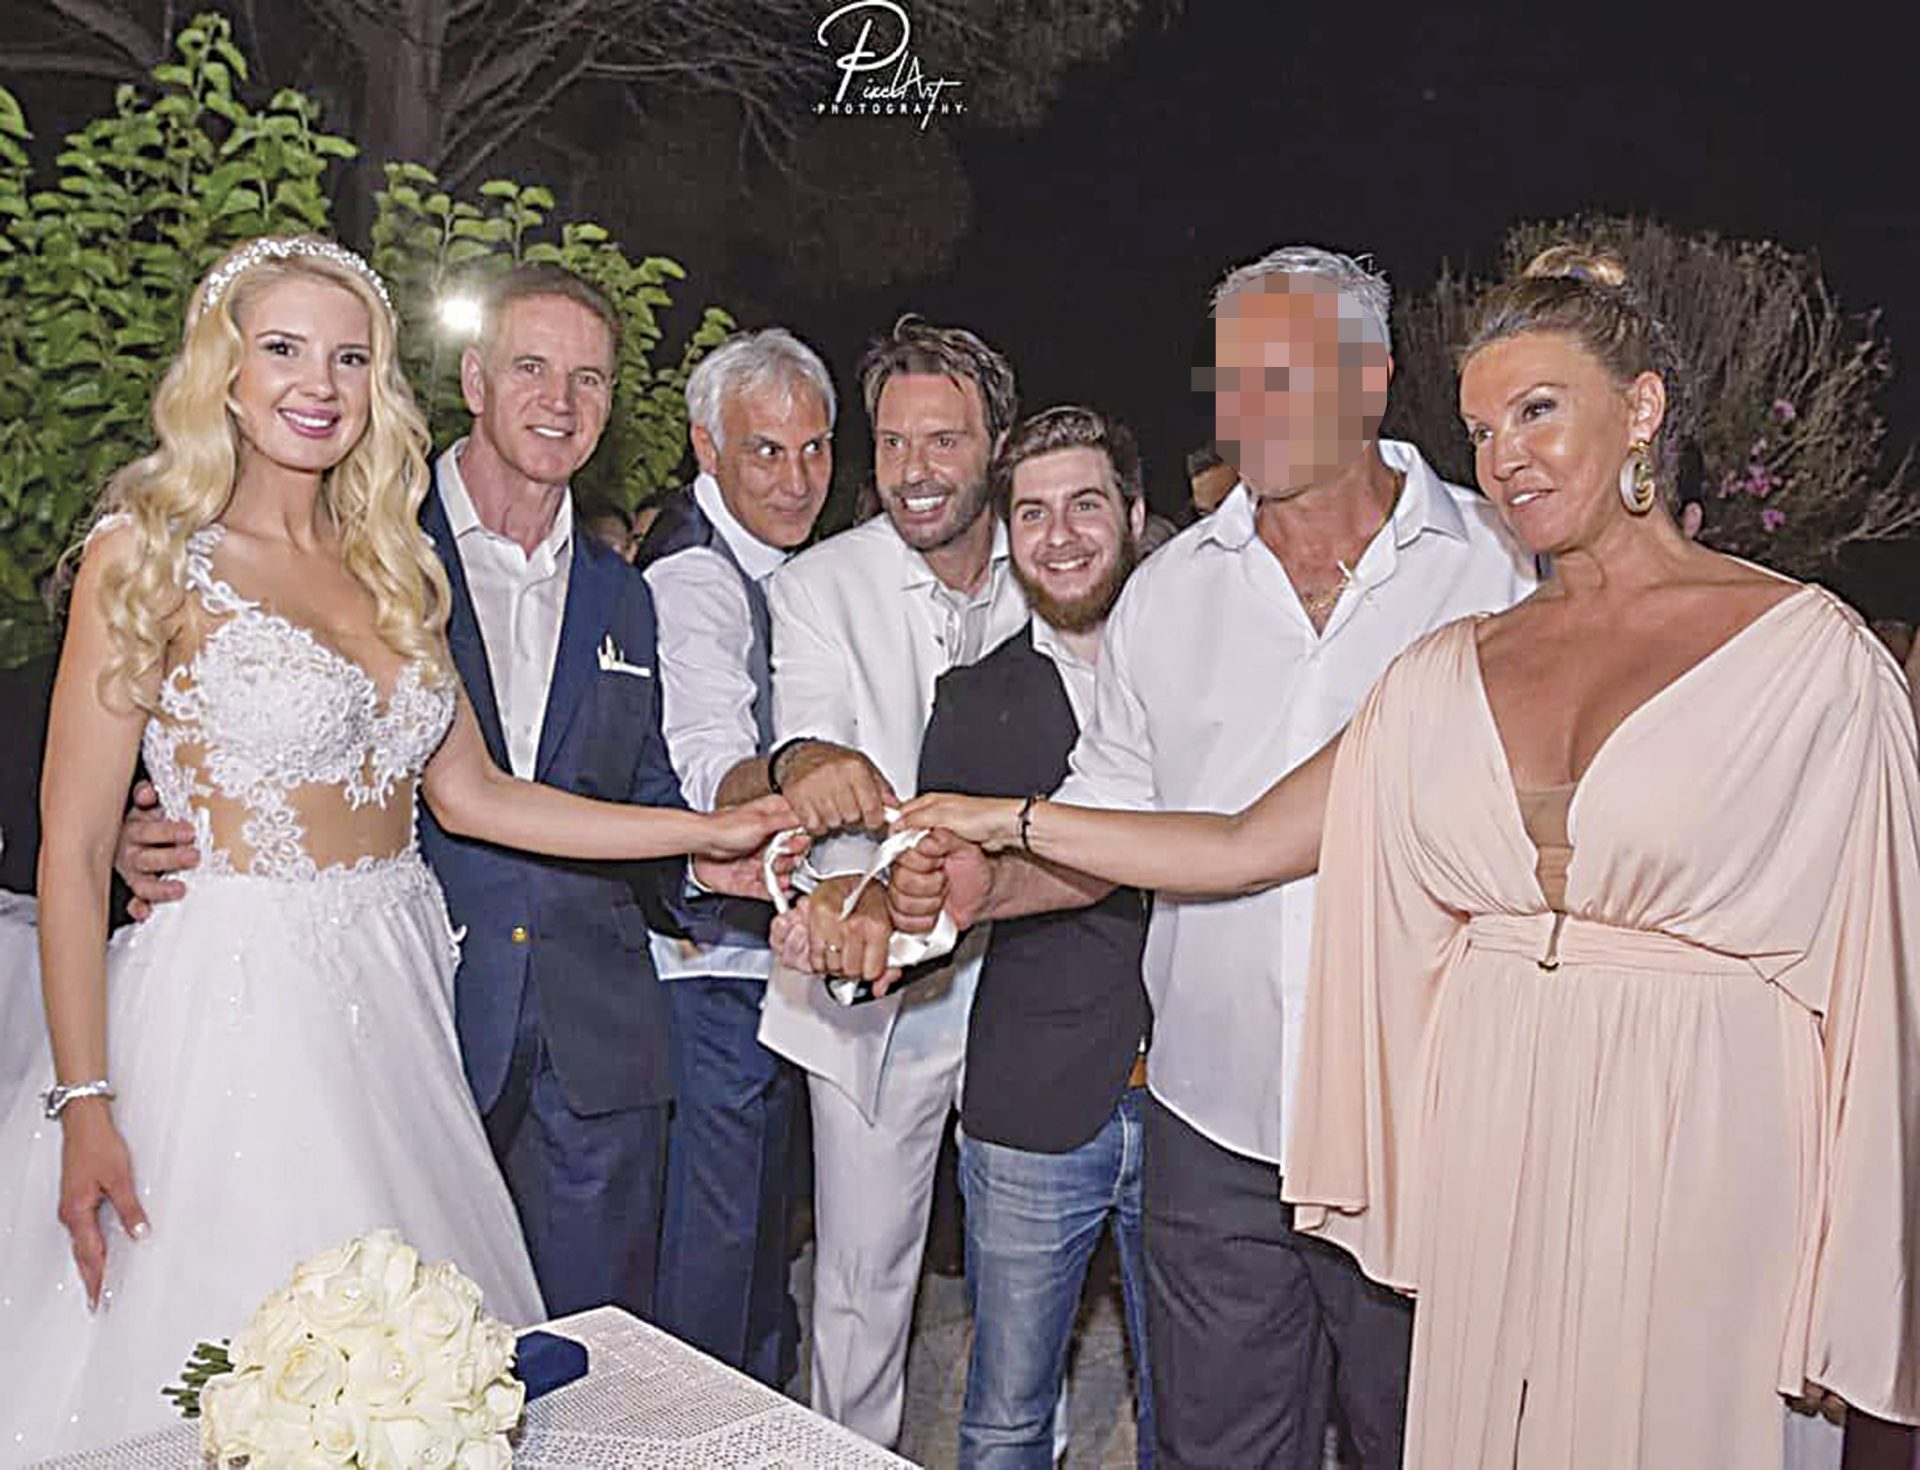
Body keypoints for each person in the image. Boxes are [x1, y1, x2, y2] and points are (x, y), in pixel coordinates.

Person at [902, 246, 1918, 1470]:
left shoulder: (1709, 629)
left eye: (1537, 411)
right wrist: (990, 840)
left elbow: (1874, 981)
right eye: (1486, 428)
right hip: (1304, 1132)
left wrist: (1859, 1252)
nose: (1508, 456)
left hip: (1581, 1142)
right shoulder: (1355, 640)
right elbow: (1218, 839)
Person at [0, 237, 794, 1457]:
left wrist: (708, 831)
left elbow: (479, 796)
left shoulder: (392, 565)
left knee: (417, 1366)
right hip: (231, 1005)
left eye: (350, 358)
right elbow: (73, 845)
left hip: (400, 992)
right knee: (227, 1358)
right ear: (223, 371)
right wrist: (85, 1101)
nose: (318, 383)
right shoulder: (148, 555)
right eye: (283, 349)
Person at [781, 404, 1157, 1466]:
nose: (1060, 535)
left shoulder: (1201, 668)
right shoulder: (975, 700)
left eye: (1086, 506)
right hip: (1035, 1106)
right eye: (1032, 513)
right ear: (1007, 531)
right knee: (1004, 1418)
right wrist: (857, 929)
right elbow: (933, 883)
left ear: (1134, 516)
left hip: (1196, 1102)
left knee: (1199, 1406)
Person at [755, 315, 1030, 1447]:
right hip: (876, 985)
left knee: (1032, 1286)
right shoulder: (818, 586)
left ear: (997, 445)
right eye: (894, 441)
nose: (914, 469)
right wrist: (810, 770)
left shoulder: (1058, 561)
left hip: (1032, 974)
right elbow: (811, 745)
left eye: (944, 440)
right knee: (863, 1286)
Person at [634, 326, 836, 1385]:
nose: (796, 480)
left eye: (814, 449)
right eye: (767, 451)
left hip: (761, 957)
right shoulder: (697, 581)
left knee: (757, 1241)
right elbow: (707, 761)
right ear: (707, 450)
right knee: (716, 1255)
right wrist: (809, 772)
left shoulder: (782, 567)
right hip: (709, 963)